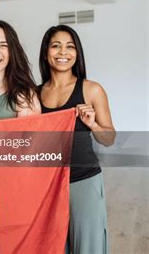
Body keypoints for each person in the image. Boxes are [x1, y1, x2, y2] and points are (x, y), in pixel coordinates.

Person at [38, 25, 115, 254]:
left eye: (70, 47)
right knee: (53, 246)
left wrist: (92, 124)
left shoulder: (92, 90)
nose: (63, 52)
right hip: (48, 186)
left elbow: (109, 138)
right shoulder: (34, 93)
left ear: (77, 53)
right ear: (46, 52)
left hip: (84, 181)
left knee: (87, 247)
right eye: (56, 46)